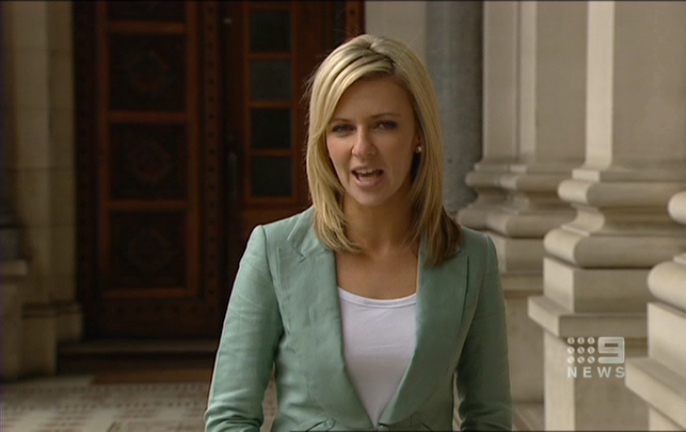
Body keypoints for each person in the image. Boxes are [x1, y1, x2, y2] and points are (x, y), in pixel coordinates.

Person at [205, 34, 512, 432]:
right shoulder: (274, 251)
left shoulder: (472, 258)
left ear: (419, 135)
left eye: (384, 125)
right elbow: (230, 418)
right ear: (324, 141)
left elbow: (489, 418)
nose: (362, 148)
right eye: (343, 128)